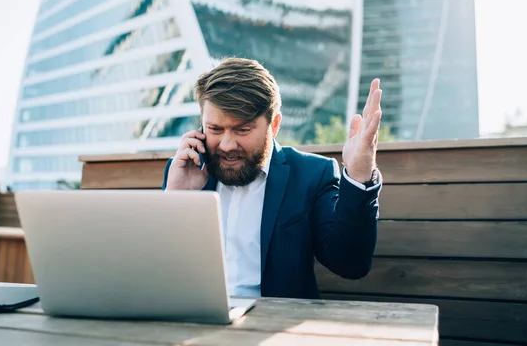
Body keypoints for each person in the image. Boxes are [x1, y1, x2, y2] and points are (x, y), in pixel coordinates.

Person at [162, 57, 382, 299]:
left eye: (242, 129)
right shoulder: (184, 173)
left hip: (272, 326)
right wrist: (177, 199)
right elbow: (160, 271)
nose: (226, 145)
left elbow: (351, 265)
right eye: (215, 129)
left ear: (274, 125)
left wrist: (360, 174)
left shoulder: (311, 175)